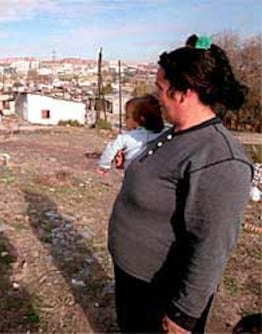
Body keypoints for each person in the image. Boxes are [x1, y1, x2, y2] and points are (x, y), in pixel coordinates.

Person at [108, 35, 254, 333]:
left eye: (161, 89)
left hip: (161, 291)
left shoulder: (220, 158)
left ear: (184, 92)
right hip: (135, 279)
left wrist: (184, 315)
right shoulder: (177, 132)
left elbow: (212, 246)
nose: (156, 97)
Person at [97, 94, 165, 174]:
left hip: (133, 177)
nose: (125, 121)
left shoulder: (126, 138)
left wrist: (104, 166)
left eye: (127, 117)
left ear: (140, 119)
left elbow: (111, 149)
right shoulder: (163, 135)